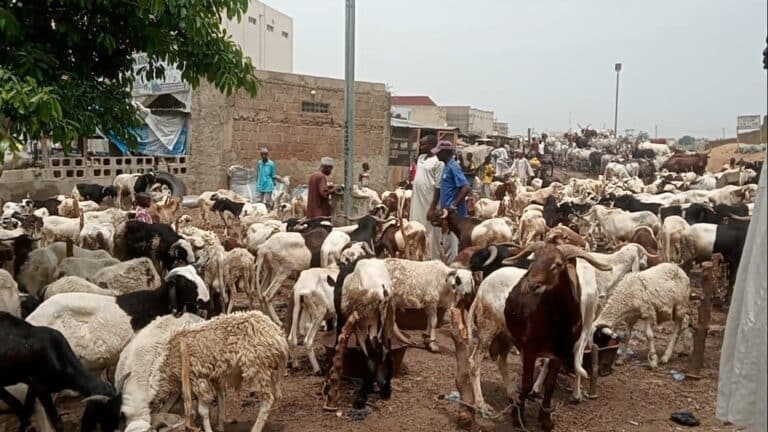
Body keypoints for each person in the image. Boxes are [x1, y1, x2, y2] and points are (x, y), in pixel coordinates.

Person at [434, 140, 470, 264]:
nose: (436, 155)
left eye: (439, 152)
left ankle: (452, 272)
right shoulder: (446, 166)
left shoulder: (454, 166)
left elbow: (465, 187)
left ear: (445, 152)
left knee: (452, 247)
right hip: (447, 215)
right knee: (448, 245)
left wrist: (454, 206)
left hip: (455, 217)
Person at [409, 135, 444, 260]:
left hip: (429, 201)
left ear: (431, 145)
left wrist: (432, 208)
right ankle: (416, 256)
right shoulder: (421, 158)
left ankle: (430, 258)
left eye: (423, 144)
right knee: (415, 227)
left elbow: (438, 186)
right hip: (417, 200)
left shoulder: (438, 162)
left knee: (429, 231)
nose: (420, 146)